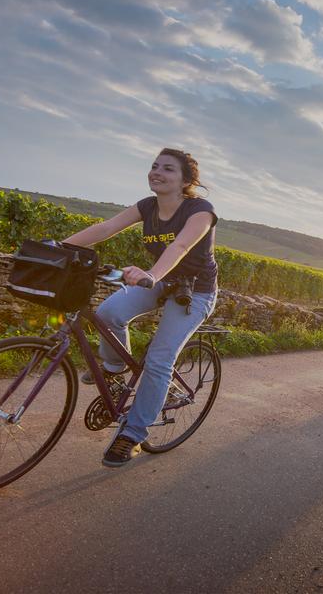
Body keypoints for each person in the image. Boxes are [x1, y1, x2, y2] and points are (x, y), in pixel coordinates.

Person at [62, 148, 218, 467]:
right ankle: (117, 370)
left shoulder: (200, 210)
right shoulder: (147, 206)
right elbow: (106, 229)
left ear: (185, 180)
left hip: (195, 291)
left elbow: (181, 245)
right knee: (108, 313)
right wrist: (58, 248)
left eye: (168, 169)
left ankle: (133, 433)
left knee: (159, 360)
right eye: (154, 166)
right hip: (160, 280)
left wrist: (150, 275)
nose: (157, 172)